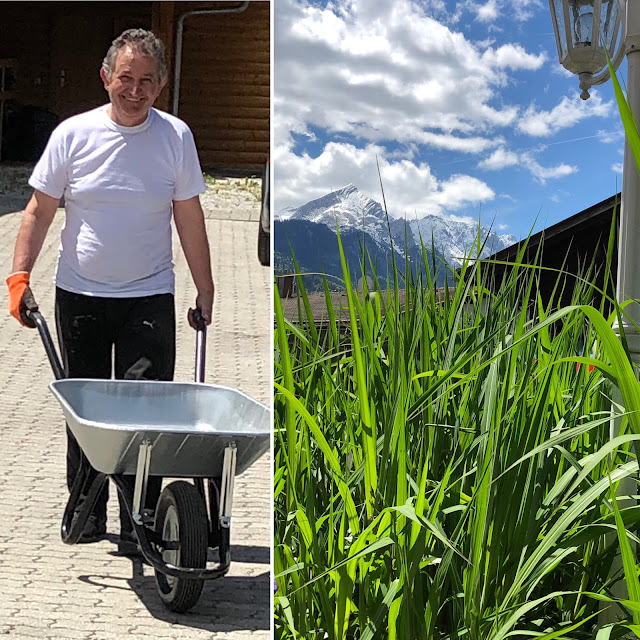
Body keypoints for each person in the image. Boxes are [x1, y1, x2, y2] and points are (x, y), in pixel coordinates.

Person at [5, 29, 214, 555]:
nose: (135, 90)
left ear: (162, 84)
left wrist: (206, 289)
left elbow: (189, 216)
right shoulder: (73, 135)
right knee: (89, 411)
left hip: (149, 295)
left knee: (146, 412)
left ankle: (143, 517)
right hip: (80, 294)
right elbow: (38, 210)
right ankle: (86, 511)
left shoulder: (175, 137)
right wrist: (18, 277)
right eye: (126, 78)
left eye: (147, 81)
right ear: (106, 77)